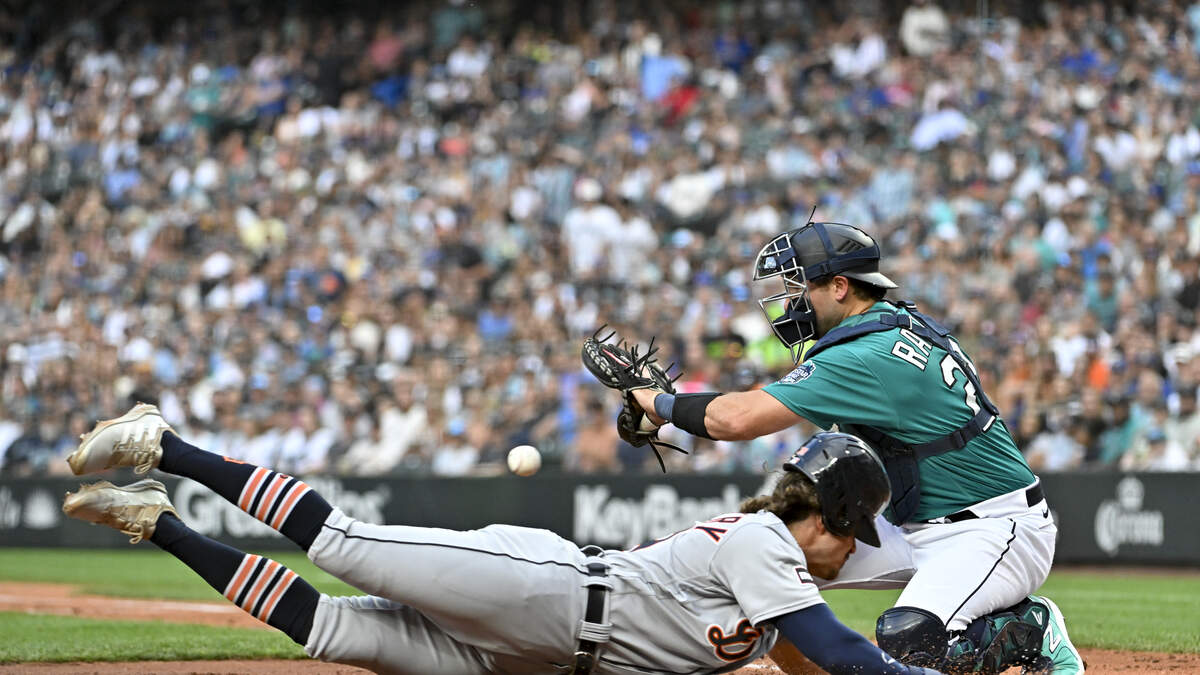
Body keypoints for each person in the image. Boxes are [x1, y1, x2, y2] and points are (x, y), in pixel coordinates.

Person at [62, 403, 941, 675]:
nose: (850, 561)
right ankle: (164, 445)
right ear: (827, 521)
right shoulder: (764, 546)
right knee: (339, 541)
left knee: (329, 630)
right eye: (853, 542)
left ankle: (158, 522)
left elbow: (805, 659)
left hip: (535, 658)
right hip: (543, 590)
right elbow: (841, 655)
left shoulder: (776, 585)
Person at [628, 221, 1085, 673]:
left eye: (800, 287)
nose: (790, 304)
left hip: (994, 527)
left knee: (911, 639)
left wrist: (655, 402)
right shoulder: (893, 327)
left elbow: (735, 420)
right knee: (762, 560)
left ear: (841, 286)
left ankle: (1032, 628)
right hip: (910, 523)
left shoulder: (862, 355)